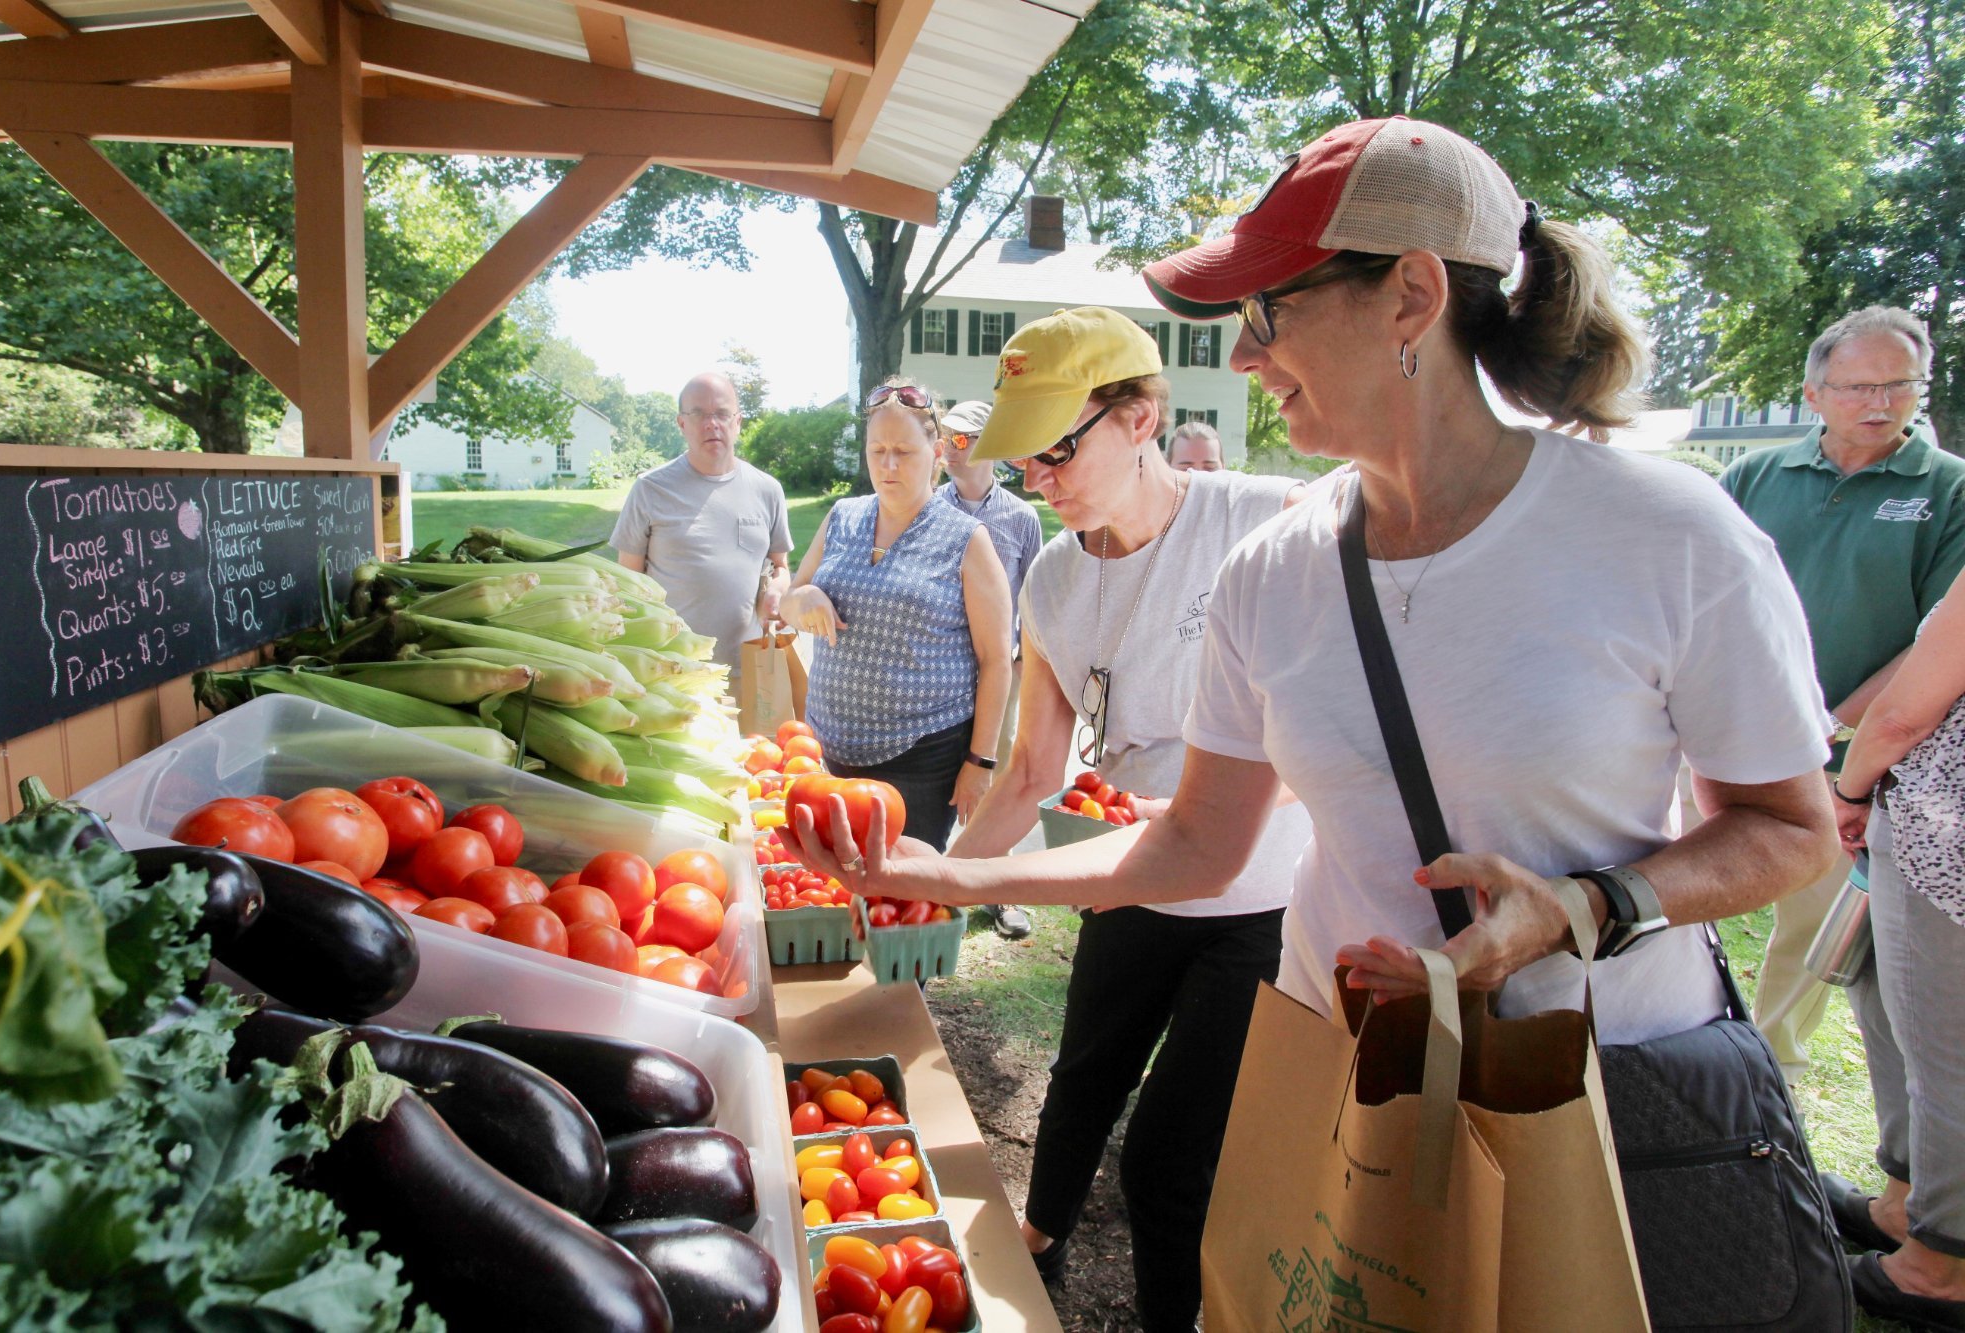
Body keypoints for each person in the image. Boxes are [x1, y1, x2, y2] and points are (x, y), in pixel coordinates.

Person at [778, 118, 1839, 1325]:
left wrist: (1587, 906)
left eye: (1271, 312)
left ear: (1412, 297)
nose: (1242, 356)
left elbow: (1794, 832)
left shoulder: (1667, 535)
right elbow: (1193, 847)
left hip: (1586, 1083)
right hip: (1333, 1065)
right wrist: (952, 876)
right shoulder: (1272, 575)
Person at [944, 305, 1311, 1326]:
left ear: (1141, 416)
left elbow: (1341, 717)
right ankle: (1040, 1235)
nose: (1037, 480)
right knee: (1080, 1075)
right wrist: (925, 885)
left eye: (1055, 451)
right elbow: (1029, 773)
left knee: (1168, 1159)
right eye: (1023, 460)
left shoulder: (1272, 518)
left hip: (1260, 900)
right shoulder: (1053, 574)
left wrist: (1214, 801)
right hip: (1126, 874)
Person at [1720, 305, 1965, 1084]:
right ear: (1814, 393)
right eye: (1859, 385)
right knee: (1675, 887)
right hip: (1722, 730)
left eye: (1900, 385)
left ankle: (1770, 1074)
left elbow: (1936, 644)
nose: (1880, 402)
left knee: (1806, 923)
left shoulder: (1948, 489)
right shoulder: (1757, 475)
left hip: (1846, 753)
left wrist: (1837, 723)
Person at [781, 379, 1013, 847]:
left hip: (920, 763)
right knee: (836, 891)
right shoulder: (843, 516)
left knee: (905, 902)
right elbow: (791, 598)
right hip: (829, 753)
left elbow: (996, 660)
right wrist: (801, 599)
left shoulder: (967, 540)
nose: (888, 465)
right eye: (877, 450)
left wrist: (980, 762)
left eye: (903, 451)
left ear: (938, 451)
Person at [1825, 570, 1965, 1328]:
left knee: (1942, 1047)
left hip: (1945, 838)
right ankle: (1904, 1205)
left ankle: (1938, 1267)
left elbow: (1903, 714)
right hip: (1935, 835)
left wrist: (1848, 791)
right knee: (1887, 1002)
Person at [937, 398, 1045, 937]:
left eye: (962, 438)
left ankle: (996, 890)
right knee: (943, 767)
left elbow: (1033, 598)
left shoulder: (1021, 518)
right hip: (941, 664)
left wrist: (1027, 662)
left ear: (990, 448)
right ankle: (935, 882)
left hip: (1002, 669)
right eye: (945, 437)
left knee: (998, 775)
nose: (949, 449)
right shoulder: (928, 506)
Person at [609, 371, 792, 677]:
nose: (712, 424)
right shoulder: (650, 489)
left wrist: (777, 590)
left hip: (749, 669)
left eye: (722, 413)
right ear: (682, 423)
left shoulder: (767, 489)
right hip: (671, 672)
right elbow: (628, 582)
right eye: (698, 413)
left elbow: (781, 566)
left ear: (738, 422)